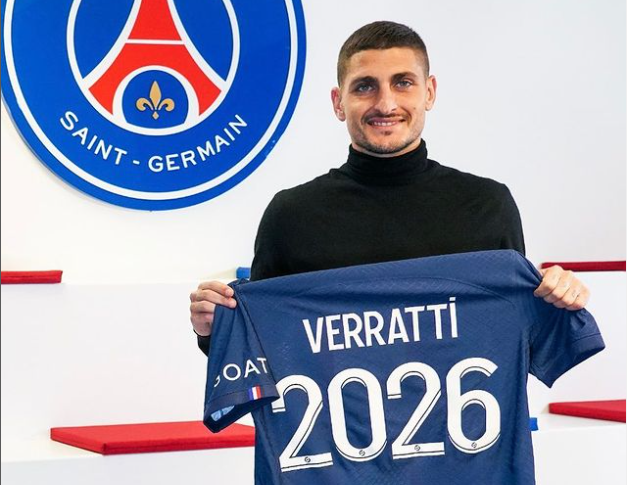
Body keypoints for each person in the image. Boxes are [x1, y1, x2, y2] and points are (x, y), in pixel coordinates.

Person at [189, 21, 590, 354]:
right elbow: (264, 345)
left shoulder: (487, 204)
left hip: (466, 428)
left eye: (403, 83)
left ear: (429, 92)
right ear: (338, 102)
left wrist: (558, 299)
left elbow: (521, 339)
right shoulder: (291, 214)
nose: (385, 104)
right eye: (364, 86)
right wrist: (212, 327)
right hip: (337, 429)